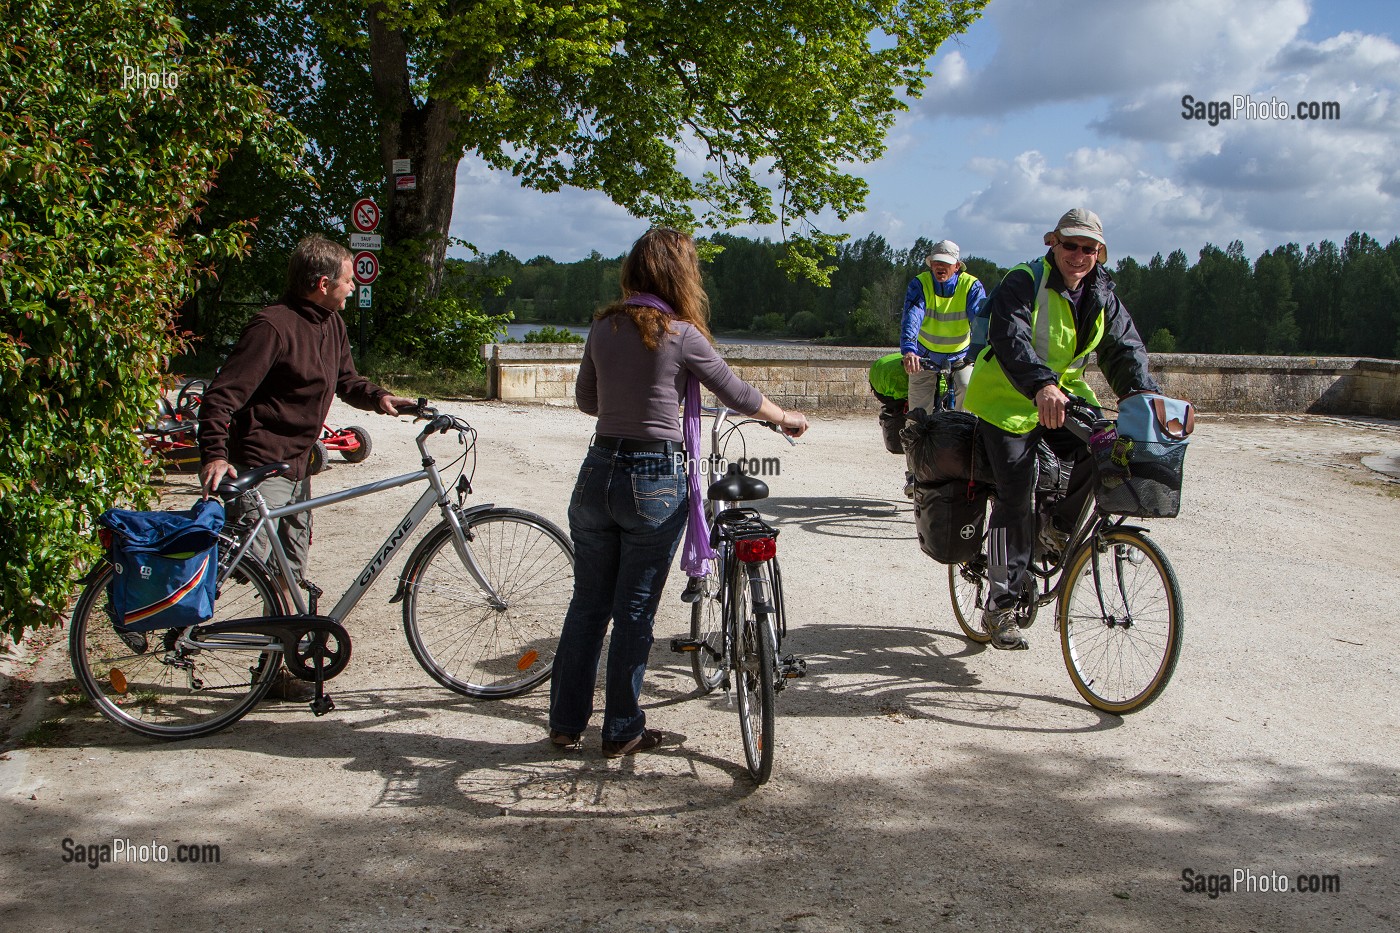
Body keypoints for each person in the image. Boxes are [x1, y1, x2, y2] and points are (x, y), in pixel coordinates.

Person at [548, 227, 810, 758]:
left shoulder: (602, 327)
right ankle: (621, 728)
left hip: (598, 470)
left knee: (588, 606)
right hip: (656, 476)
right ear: (680, 274)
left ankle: (565, 723)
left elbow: (586, 400)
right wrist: (786, 418)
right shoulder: (682, 333)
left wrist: (629, 399)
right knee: (635, 609)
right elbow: (735, 393)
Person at [197, 235, 414, 638]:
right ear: (322, 283)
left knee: (289, 573)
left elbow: (346, 381)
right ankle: (165, 623)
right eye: (348, 280)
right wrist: (214, 454)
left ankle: (278, 666)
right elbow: (221, 396)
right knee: (237, 565)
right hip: (260, 465)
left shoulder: (331, 324)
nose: (354, 286)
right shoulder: (272, 327)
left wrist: (381, 397)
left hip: (298, 468)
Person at [963, 209, 1160, 650]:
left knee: (1108, 448)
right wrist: (1041, 384)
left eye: (1088, 248)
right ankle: (1001, 603)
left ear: (1099, 253)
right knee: (1016, 491)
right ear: (1052, 242)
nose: (1078, 255)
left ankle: (1056, 529)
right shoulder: (1023, 280)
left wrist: (1144, 395)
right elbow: (1009, 337)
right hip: (1006, 400)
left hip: (1061, 396)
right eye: (1070, 245)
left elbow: (1124, 347)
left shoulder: (1102, 292)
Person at [900, 239, 986, 412]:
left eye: (946, 263)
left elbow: (979, 322)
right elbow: (912, 316)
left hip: (960, 355)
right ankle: (916, 438)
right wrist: (909, 350)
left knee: (968, 388)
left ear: (956, 266)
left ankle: (964, 432)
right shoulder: (920, 284)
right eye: (936, 262)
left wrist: (980, 352)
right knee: (918, 414)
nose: (940, 266)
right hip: (924, 355)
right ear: (930, 264)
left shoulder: (971, 286)